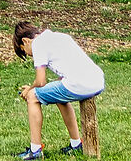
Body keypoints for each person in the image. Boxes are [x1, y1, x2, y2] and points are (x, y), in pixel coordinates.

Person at [13, 19, 104, 159]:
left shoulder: (38, 45)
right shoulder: (58, 37)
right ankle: (76, 144)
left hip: (81, 85)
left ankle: (35, 151)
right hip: (96, 80)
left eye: (24, 51)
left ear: (25, 41)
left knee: (32, 97)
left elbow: (41, 81)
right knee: (58, 96)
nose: (28, 55)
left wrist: (29, 90)